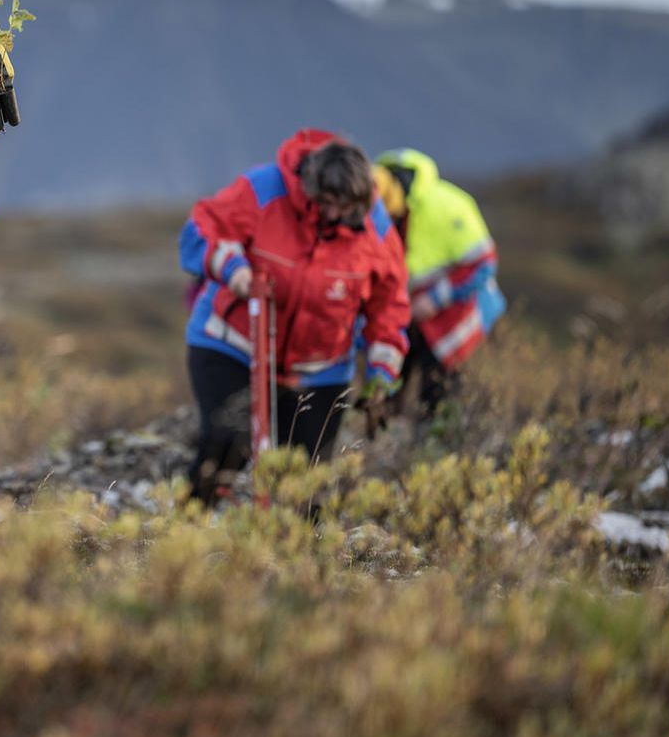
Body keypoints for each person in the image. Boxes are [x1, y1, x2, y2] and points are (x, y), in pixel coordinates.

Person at [179, 130, 410, 504]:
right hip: (233, 346)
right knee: (227, 442)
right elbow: (201, 229)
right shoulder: (263, 190)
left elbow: (390, 305)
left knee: (307, 484)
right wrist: (234, 270)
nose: (333, 213)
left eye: (345, 206)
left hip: (320, 370)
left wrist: (382, 376)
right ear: (310, 185)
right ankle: (186, 537)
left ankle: (296, 555)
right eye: (326, 202)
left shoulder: (376, 229)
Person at [374, 148, 505, 417]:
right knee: (389, 387)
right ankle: (388, 443)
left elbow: (483, 265)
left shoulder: (448, 205)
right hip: (404, 316)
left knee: (438, 395)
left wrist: (434, 299)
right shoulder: (380, 213)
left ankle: (435, 447)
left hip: (452, 320)